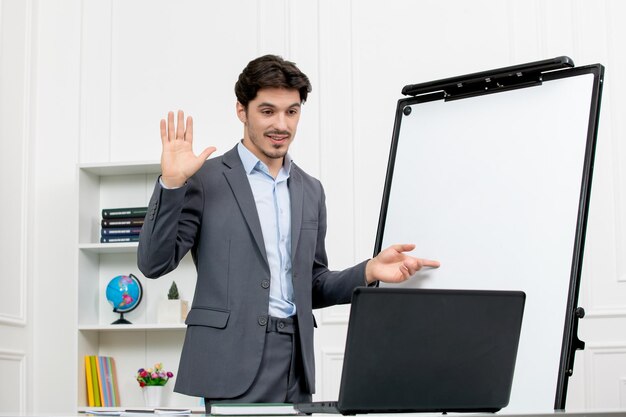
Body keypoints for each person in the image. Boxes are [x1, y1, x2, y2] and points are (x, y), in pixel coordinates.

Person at [137, 54, 439, 411]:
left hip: (295, 362)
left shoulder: (311, 190)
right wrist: (172, 184)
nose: (281, 124)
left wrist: (369, 270)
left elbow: (312, 283)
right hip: (230, 359)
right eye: (267, 111)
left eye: (291, 112)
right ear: (241, 110)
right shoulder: (205, 180)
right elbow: (154, 263)